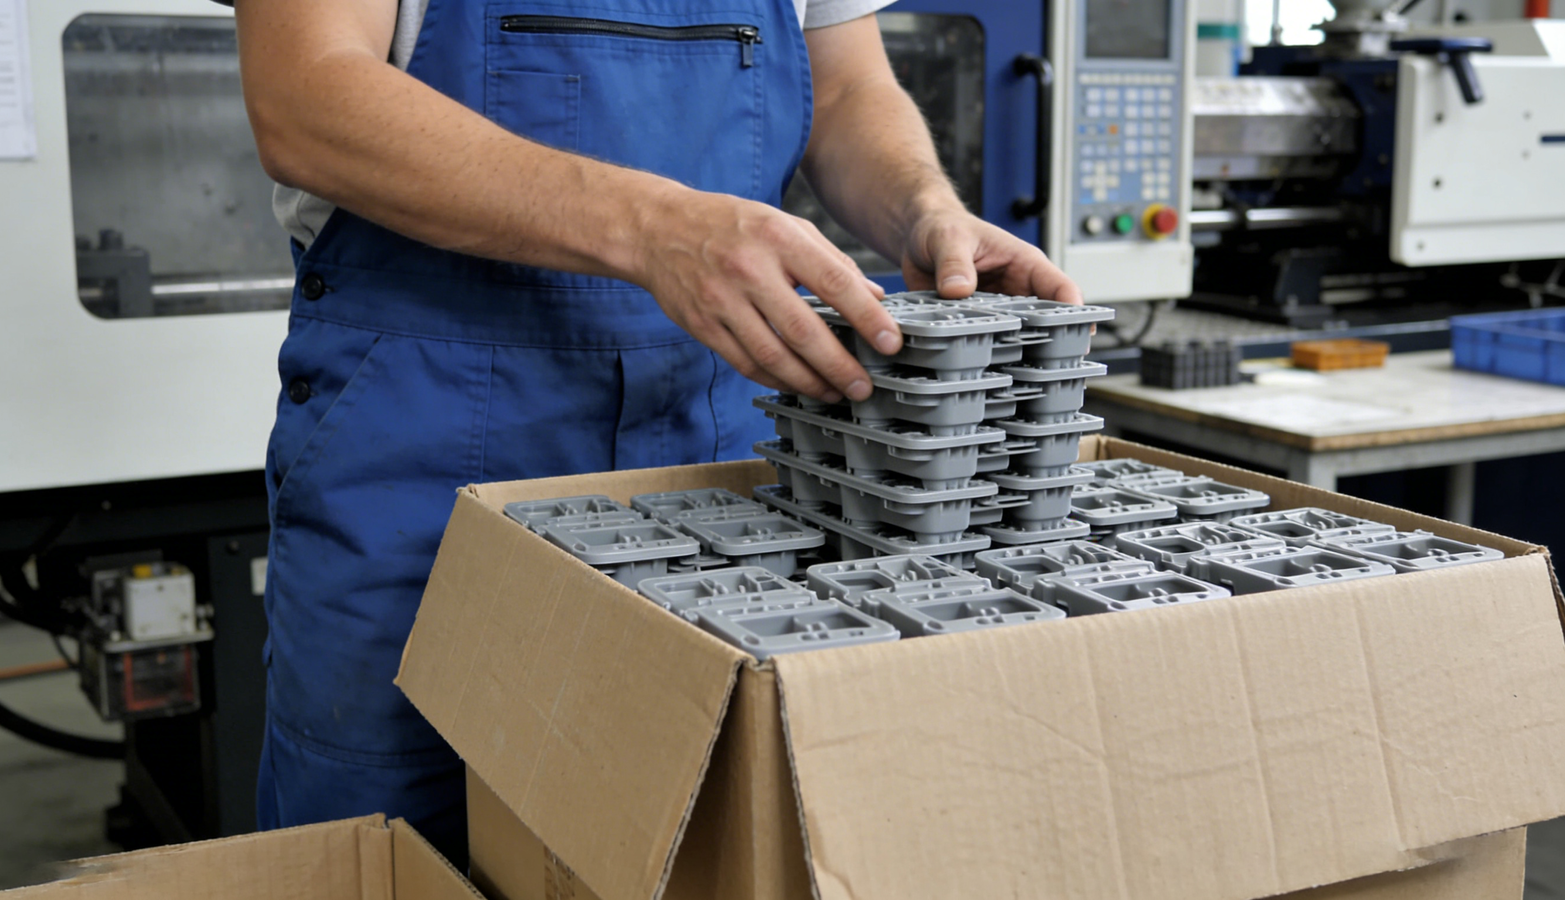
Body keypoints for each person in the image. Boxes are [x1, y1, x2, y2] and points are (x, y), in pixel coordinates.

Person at [226, 0, 1081, 864]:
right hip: (425, 446)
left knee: (708, 839)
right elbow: (306, 97)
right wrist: (654, 226)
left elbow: (848, 88)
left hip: (715, 440)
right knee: (395, 842)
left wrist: (923, 209)